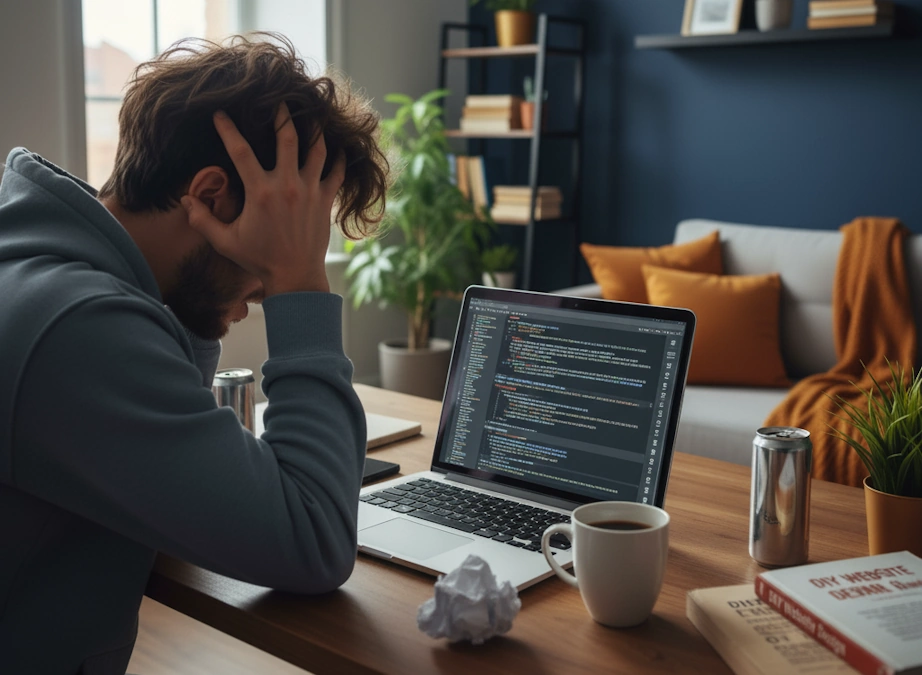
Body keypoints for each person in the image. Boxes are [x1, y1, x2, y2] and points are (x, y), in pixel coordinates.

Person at [0, 34, 388, 673]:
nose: (263, 294)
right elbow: (314, 540)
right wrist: (300, 283)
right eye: (291, 238)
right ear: (210, 197)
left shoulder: (51, 270)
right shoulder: (76, 327)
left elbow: (184, 474)